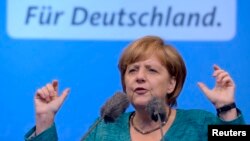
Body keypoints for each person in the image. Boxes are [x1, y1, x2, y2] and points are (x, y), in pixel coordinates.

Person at [24, 35, 245, 141]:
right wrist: (44, 121)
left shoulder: (200, 124)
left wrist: (227, 109)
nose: (139, 77)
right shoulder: (104, 128)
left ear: (172, 83)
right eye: (132, 71)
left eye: (151, 70)